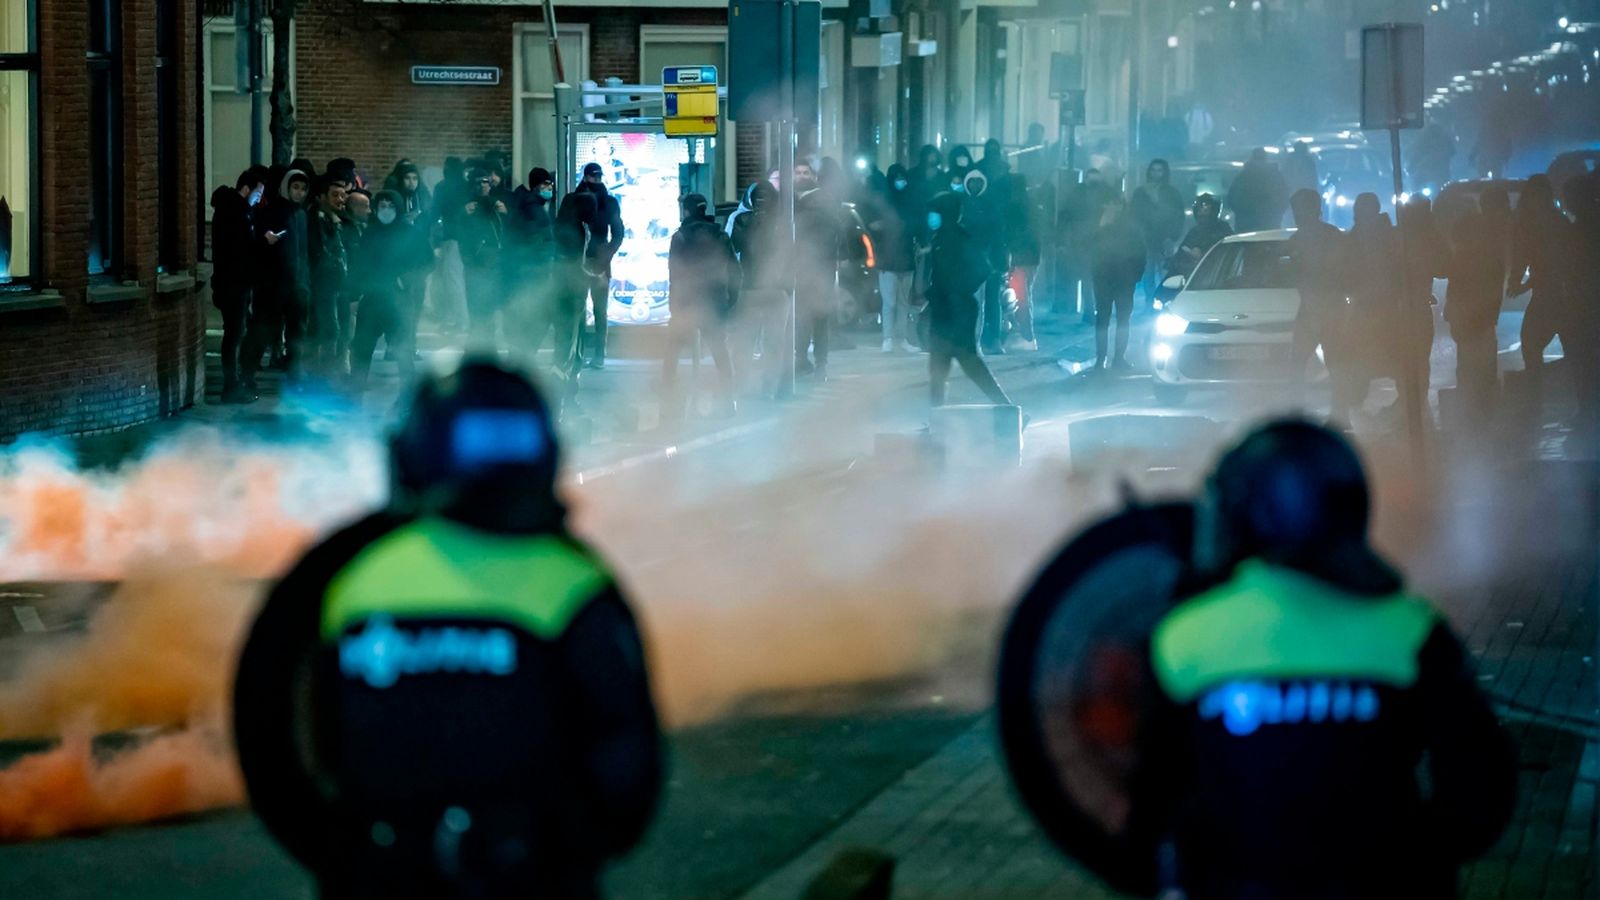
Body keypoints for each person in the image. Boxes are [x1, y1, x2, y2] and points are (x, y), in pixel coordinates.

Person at [234, 357, 664, 900]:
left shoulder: (346, 574)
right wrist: (559, 861)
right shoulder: (575, 580)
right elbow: (627, 772)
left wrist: (343, 855)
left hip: (376, 878)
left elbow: (267, 733)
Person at [1147, 419, 1515, 899]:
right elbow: (1479, 795)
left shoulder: (1185, 638)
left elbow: (1146, 802)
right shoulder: (1411, 632)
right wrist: (1411, 864)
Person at [923, 192, 1014, 409]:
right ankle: (937, 421)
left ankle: (1007, 408)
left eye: (935, 213)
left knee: (966, 363)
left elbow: (983, 270)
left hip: (956, 312)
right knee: (940, 366)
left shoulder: (956, 239)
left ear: (946, 214)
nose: (931, 217)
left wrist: (959, 292)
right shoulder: (941, 239)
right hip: (945, 309)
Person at [663, 194, 739, 421]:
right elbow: (735, 270)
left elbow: (674, 274)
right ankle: (728, 403)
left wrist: (673, 304)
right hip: (714, 302)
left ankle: (668, 404)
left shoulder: (681, 236)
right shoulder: (720, 234)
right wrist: (730, 300)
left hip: (687, 302)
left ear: (686, 211)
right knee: (720, 354)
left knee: (672, 354)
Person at [350, 190, 434, 389]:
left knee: (402, 352)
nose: (386, 211)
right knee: (361, 348)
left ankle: (408, 397)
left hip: (399, 302)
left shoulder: (411, 233)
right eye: (382, 206)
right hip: (371, 301)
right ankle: (355, 390)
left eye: (390, 206)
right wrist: (354, 295)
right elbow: (359, 265)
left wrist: (407, 280)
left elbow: (428, 262)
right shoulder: (370, 233)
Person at [1445, 185, 1512, 425]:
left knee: (1470, 363)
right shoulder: (1488, 246)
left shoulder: (1468, 253)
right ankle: (1480, 411)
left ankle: (1474, 411)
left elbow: (1457, 286)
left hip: (1471, 316)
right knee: (1480, 363)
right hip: (1476, 316)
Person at [1286, 189, 1355, 419]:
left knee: (1312, 362)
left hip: (1324, 307)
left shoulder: (1301, 240)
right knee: (1332, 362)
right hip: (1321, 307)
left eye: (1299, 210)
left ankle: (1329, 411)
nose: (1297, 215)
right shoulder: (1330, 235)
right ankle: (1337, 411)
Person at [245, 168, 313, 388]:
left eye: (303, 189)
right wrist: (266, 242)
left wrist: (304, 282)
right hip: (273, 284)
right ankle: (247, 373)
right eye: (295, 187)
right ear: (286, 187)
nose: (299, 193)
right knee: (262, 329)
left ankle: (294, 372)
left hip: (297, 285)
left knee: (297, 330)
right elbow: (258, 245)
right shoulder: (272, 212)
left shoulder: (302, 215)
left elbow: (303, 252)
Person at [211, 167, 270, 404]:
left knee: (237, 333)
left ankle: (234, 384)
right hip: (233, 283)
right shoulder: (235, 212)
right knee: (234, 335)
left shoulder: (238, 210)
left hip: (236, 282)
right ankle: (231, 386)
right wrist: (262, 242)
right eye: (258, 193)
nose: (259, 198)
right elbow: (239, 249)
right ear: (246, 189)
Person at [730, 180, 793, 399]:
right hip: (777, 290)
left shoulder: (742, 220)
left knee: (746, 341)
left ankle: (744, 386)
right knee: (774, 343)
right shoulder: (785, 222)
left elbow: (735, 248)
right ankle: (769, 388)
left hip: (750, 288)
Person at [1512, 175, 1575, 389]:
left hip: (1551, 295)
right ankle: (1580, 401)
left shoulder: (1533, 224)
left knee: (1530, 344)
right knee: (1572, 350)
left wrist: (1519, 283)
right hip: (1564, 295)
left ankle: (1535, 396)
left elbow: (1525, 258)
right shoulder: (1559, 221)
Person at [794, 160, 844, 380]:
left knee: (817, 317)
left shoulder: (822, 203)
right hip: (799, 269)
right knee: (803, 318)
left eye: (806, 172)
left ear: (813, 176)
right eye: (798, 172)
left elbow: (835, 234)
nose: (802, 176)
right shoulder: (789, 201)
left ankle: (817, 363)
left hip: (818, 269)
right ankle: (805, 360)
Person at [574, 162, 625, 368]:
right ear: (586, 177)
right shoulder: (586, 200)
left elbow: (618, 231)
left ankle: (596, 356)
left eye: (598, 177)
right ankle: (585, 355)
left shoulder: (604, 201)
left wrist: (607, 252)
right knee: (583, 308)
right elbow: (618, 232)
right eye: (594, 176)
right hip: (586, 259)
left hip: (594, 259)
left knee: (597, 310)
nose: (597, 180)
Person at [1090, 194, 1146, 372]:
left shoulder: (1131, 227)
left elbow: (1140, 252)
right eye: (1109, 202)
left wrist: (1135, 275)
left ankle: (1118, 357)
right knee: (1103, 319)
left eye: (1116, 203)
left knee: (1122, 319)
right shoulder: (1098, 224)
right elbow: (1088, 247)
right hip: (1104, 278)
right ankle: (1101, 357)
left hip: (1123, 278)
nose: (1112, 207)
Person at [454, 168, 509, 347]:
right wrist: (462, 215)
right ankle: (476, 346)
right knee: (476, 308)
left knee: (492, 308)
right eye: (478, 182)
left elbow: (508, 230)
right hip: (475, 264)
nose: (482, 186)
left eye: (485, 182)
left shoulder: (497, 204)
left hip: (494, 262)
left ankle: (489, 347)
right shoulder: (467, 206)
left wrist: (505, 213)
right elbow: (457, 232)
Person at [507, 167, 560, 355]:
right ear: (536, 186)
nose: (550, 188)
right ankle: (524, 355)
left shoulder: (527, 204)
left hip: (526, 272)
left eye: (551, 185)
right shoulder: (533, 209)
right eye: (546, 184)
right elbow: (535, 241)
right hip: (533, 273)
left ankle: (521, 354)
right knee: (538, 316)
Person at [870, 164, 918, 353]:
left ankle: (901, 338)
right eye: (897, 178)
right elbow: (874, 228)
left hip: (905, 261)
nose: (901, 182)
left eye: (903, 178)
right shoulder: (884, 202)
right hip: (888, 261)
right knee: (889, 302)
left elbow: (916, 225)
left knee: (903, 303)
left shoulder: (910, 201)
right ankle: (888, 338)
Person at [308, 174, 352, 376]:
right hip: (323, 286)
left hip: (336, 286)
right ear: (321, 197)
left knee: (336, 328)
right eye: (335, 195)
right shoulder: (318, 221)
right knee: (327, 329)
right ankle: (321, 376)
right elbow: (323, 254)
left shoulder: (338, 221)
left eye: (343, 195)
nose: (341, 200)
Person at [961, 169, 1009, 355]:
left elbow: (998, 236)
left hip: (989, 263)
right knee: (974, 303)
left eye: (978, 182)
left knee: (991, 303)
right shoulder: (961, 204)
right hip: (968, 263)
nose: (974, 185)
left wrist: (998, 261)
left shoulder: (991, 206)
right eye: (971, 182)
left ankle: (992, 340)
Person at [1130, 159, 1187, 304]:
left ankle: (1164, 303)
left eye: (1159, 170)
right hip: (1146, 241)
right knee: (1147, 276)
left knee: (1166, 275)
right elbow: (1134, 216)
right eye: (1153, 170)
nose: (1156, 174)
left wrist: (1172, 237)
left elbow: (1178, 216)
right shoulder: (1140, 193)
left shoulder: (1171, 193)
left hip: (1165, 241)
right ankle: (1149, 304)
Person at [431, 157, 470, 335]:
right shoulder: (467, 186)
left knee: (452, 281)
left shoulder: (442, 187)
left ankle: (460, 320)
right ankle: (461, 319)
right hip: (468, 240)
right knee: (460, 281)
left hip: (451, 238)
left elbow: (434, 212)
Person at [1227, 148, 1290, 233]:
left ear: (1251, 158)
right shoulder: (1275, 176)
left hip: (1246, 225)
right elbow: (1284, 197)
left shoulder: (1243, 176)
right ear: (1266, 158)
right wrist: (1276, 214)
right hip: (1270, 224)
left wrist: (1243, 214)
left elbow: (1233, 199)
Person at [1170, 193, 1232, 279]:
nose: (1201, 214)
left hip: (1216, 276)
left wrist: (1202, 255)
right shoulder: (1194, 232)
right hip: (1191, 276)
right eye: (1199, 210)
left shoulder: (1223, 230)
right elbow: (1179, 256)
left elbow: (1227, 254)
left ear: (1214, 211)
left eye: (1206, 210)